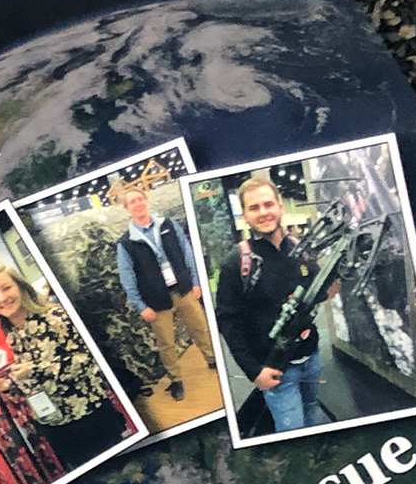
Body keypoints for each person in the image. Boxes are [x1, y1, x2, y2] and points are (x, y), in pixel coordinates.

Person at [0, 262, 134, 475]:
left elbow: (85, 361)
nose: (2, 298)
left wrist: (36, 369)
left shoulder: (54, 317)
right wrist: (6, 387)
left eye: (7, 288)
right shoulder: (10, 337)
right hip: (55, 427)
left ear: (21, 287)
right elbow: (29, 386)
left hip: (89, 416)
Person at [212, 173, 331, 434]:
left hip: (311, 356)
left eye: (268, 204)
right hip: (275, 368)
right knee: (292, 431)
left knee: (313, 412)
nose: (264, 212)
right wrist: (254, 371)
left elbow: (319, 293)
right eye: (254, 207)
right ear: (244, 214)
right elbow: (228, 322)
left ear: (279, 206)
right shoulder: (236, 263)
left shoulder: (301, 249)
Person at [113, 185, 216, 402]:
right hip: (156, 301)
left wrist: (196, 282)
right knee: (166, 344)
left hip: (183, 290)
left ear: (146, 200)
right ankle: (176, 380)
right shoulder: (125, 243)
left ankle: (212, 359)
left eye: (140, 199)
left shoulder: (168, 225)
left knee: (200, 328)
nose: (138, 204)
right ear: (126, 209)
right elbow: (127, 277)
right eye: (132, 202)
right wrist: (140, 306)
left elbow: (187, 252)